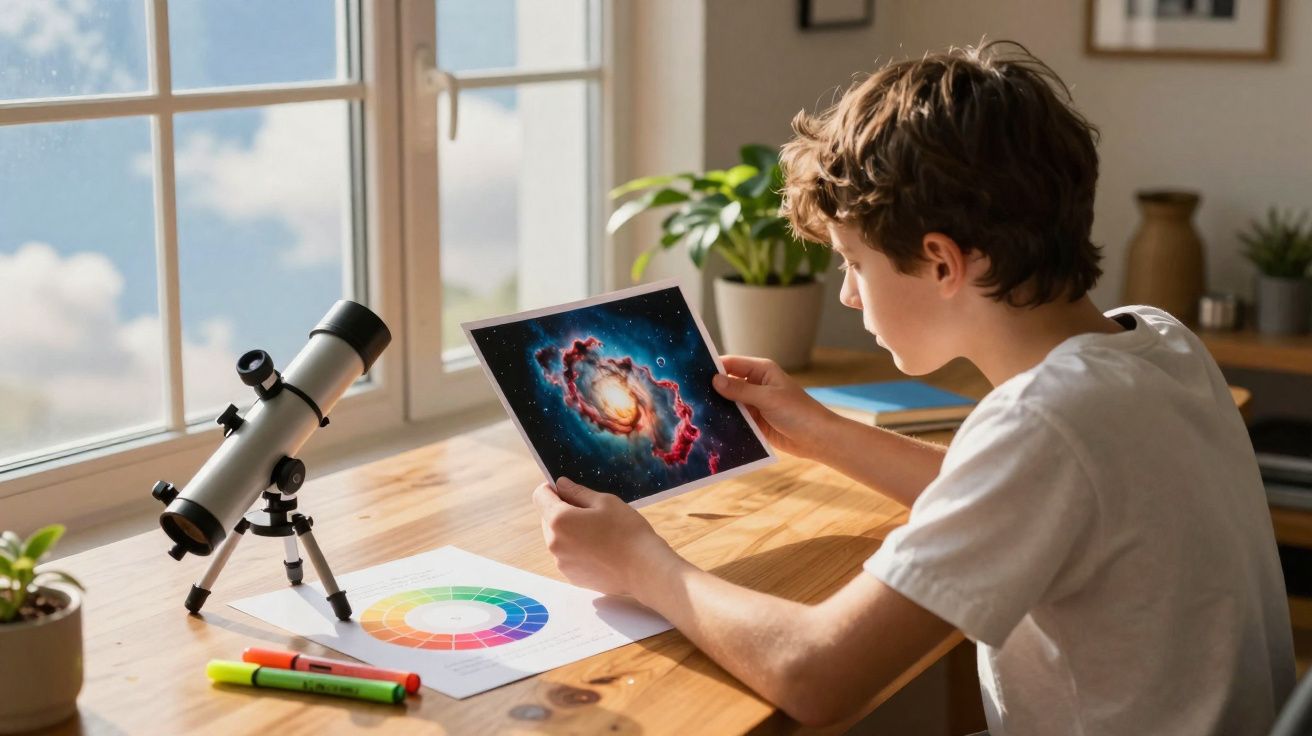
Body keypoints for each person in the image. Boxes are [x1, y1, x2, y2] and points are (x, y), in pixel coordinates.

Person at [532, 40, 1294, 734]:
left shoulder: (1044, 424)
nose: (848, 297)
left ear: (941, 261)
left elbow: (818, 674)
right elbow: (1023, 495)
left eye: (855, 263)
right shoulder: (1156, 341)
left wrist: (644, 565)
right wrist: (819, 429)